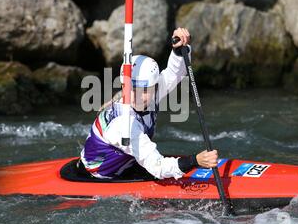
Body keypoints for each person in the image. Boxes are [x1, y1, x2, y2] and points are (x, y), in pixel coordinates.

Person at [79, 28, 218, 179]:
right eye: (132, 89)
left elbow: (174, 74)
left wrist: (179, 49)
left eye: (145, 89)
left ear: (155, 86)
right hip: (100, 177)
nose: (138, 96)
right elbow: (157, 168)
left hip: (127, 164)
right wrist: (195, 161)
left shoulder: (153, 94)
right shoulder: (124, 124)